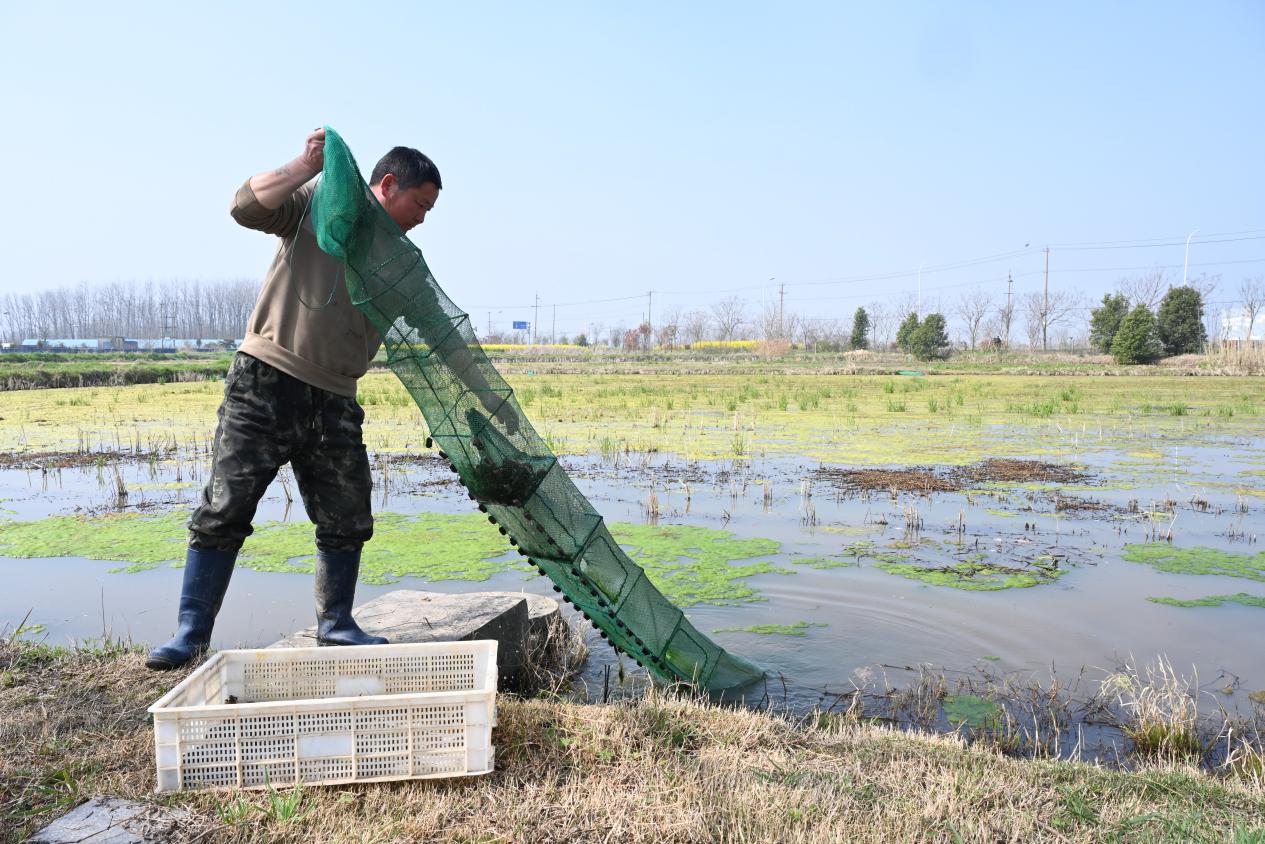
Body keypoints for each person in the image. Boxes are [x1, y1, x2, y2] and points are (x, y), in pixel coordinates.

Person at [147, 128, 448, 669]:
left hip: (335, 399)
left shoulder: (399, 261)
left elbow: (438, 332)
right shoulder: (318, 206)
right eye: (420, 204)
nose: (423, 218)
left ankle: (335, 625)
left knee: (348, 517)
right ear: (386, 184)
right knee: (224, 509)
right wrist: (304, 165)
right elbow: (244, 207)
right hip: (266, 381)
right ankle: (189, 636)